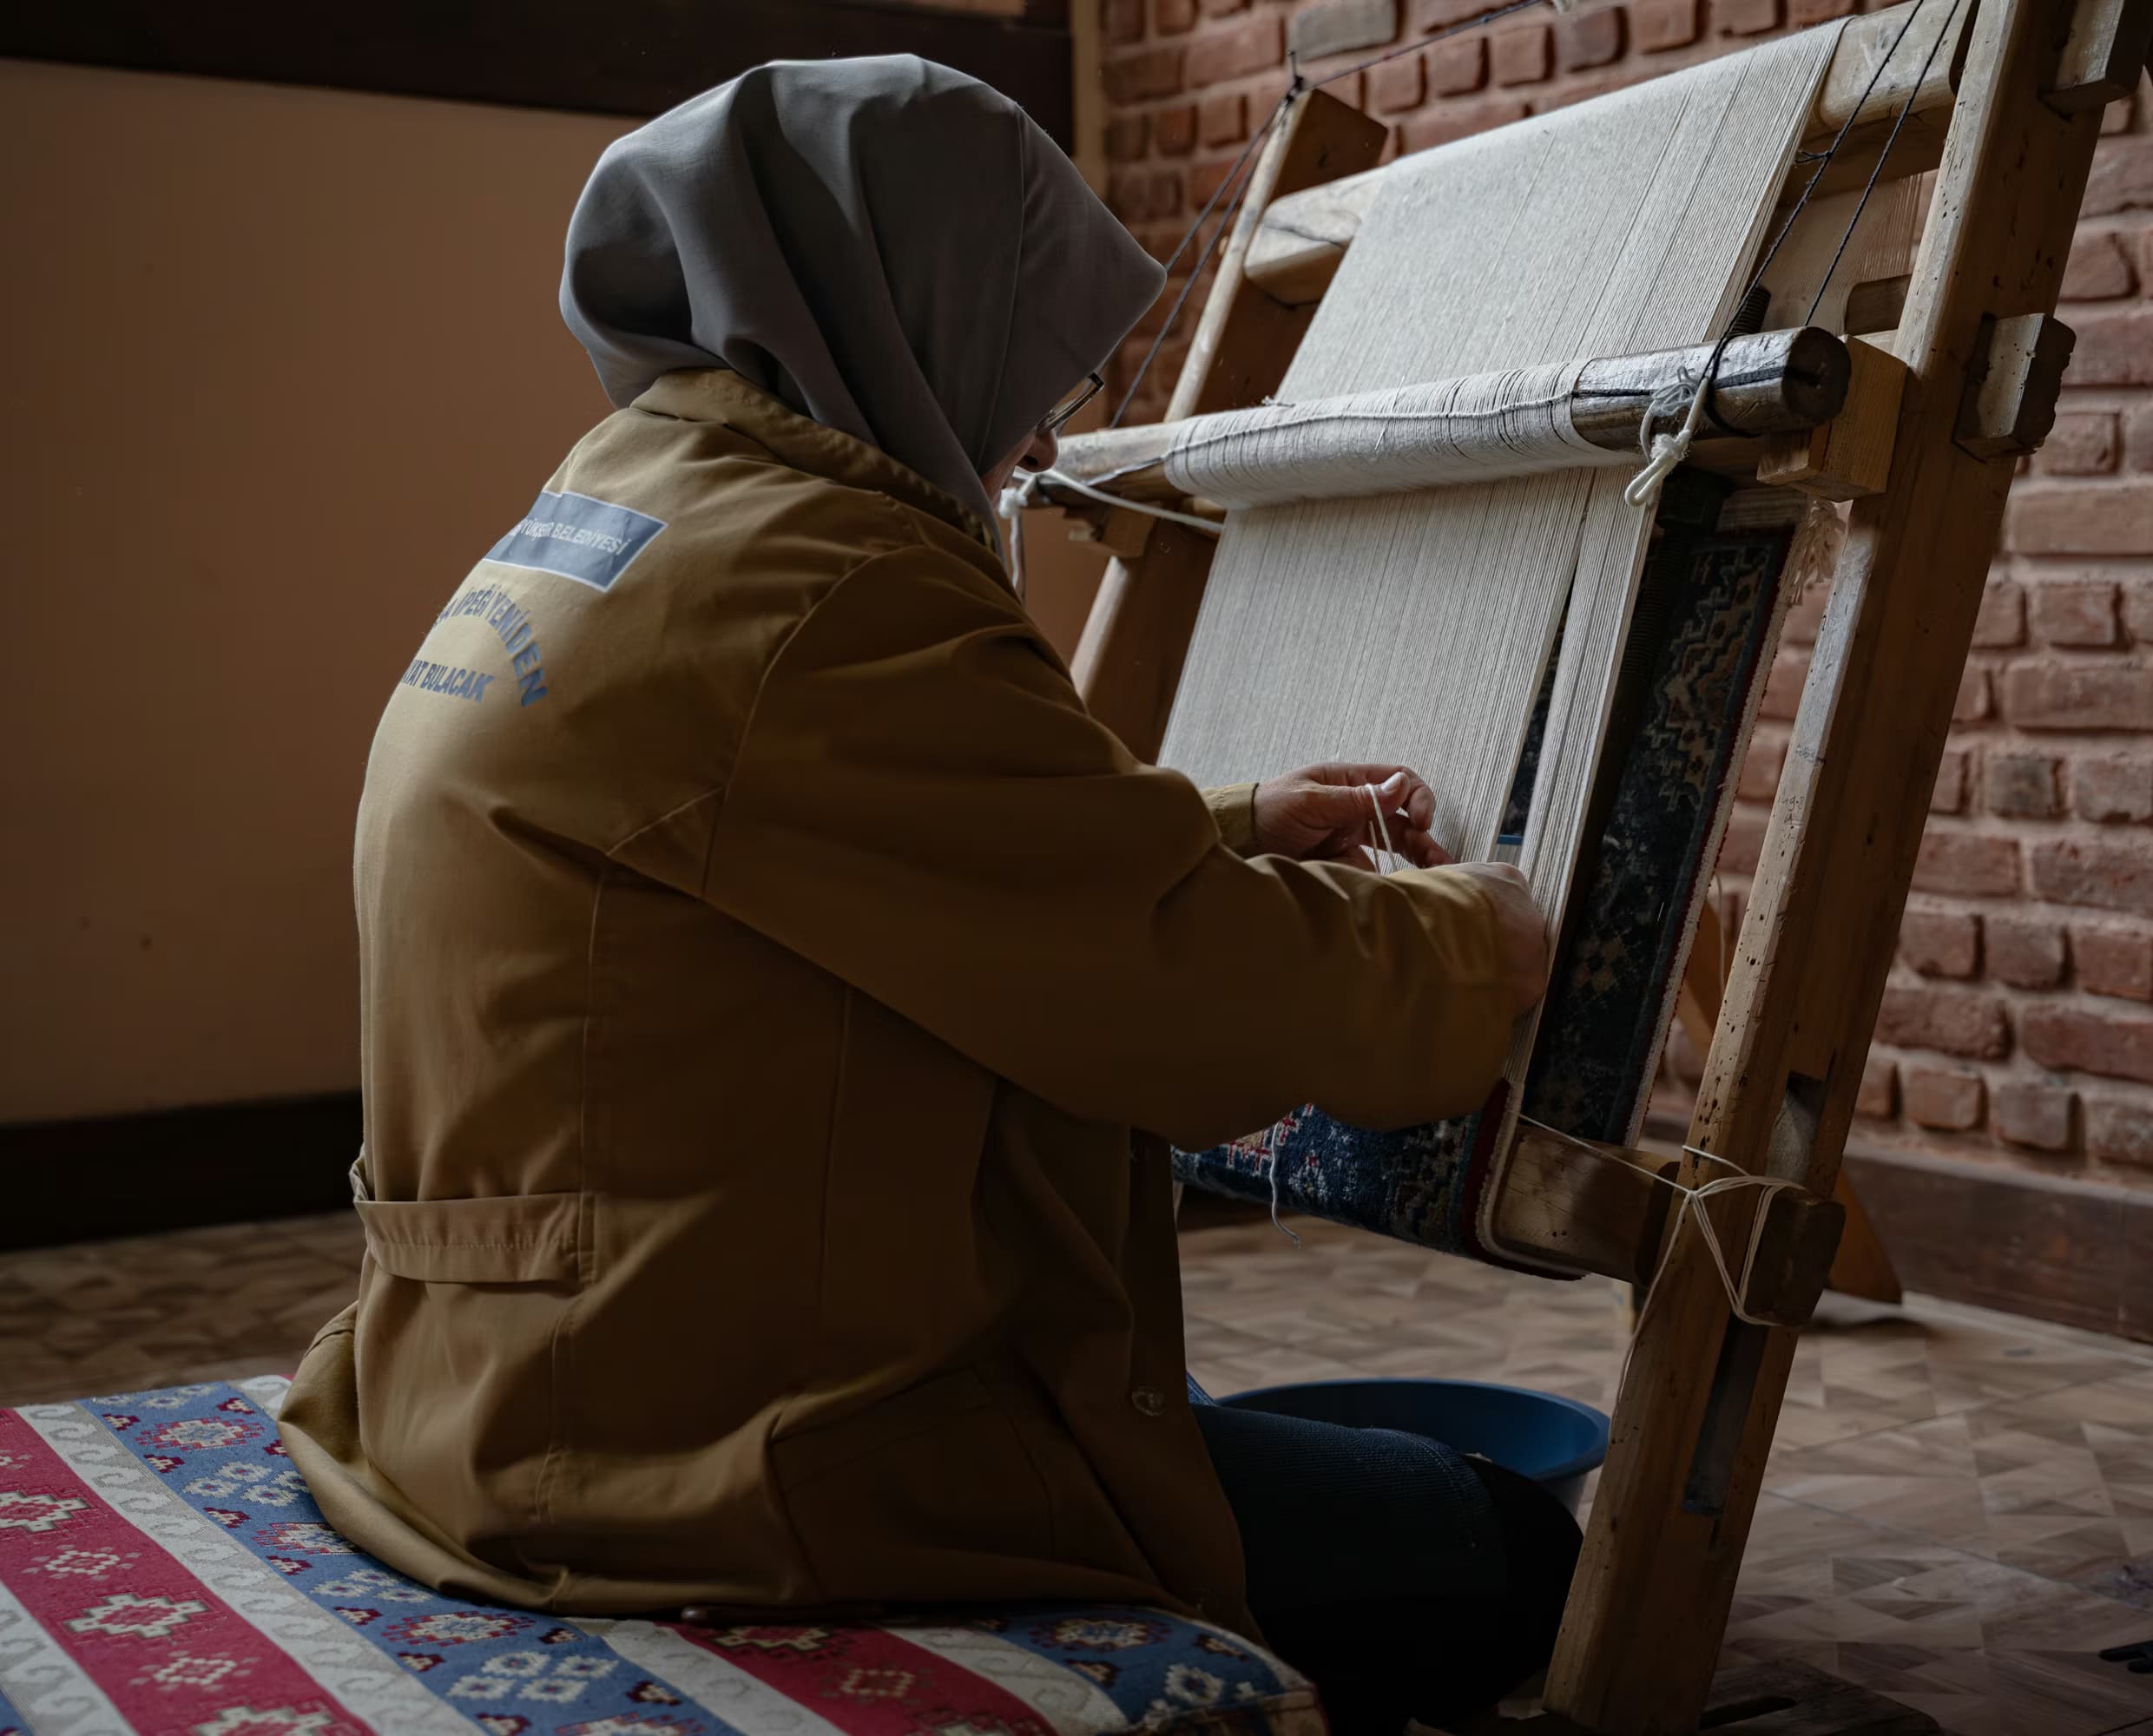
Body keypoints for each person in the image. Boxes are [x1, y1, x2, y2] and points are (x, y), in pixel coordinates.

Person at [280, 55, 1577, 1735]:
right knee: (1508, 1552)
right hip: (698, 1456)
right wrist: (1489, 931)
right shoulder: (831, 587)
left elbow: (813, 840)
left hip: (490, 1380)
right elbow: (1201, 1009)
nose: (1039, 439)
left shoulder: (625, 512)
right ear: (901, 307)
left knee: (1203, 1421)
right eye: (1023, 365)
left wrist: (1229, 817)